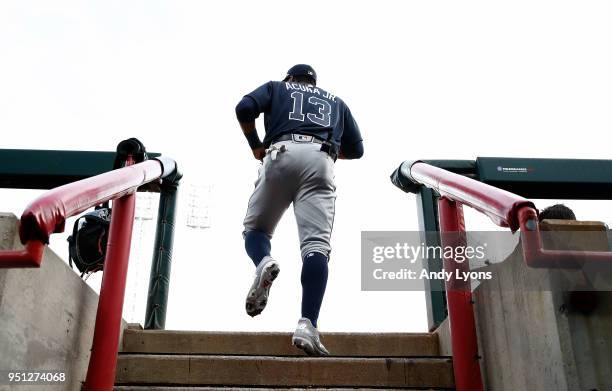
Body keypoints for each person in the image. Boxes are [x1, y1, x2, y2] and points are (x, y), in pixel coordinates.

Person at [235, 64, 364, 356]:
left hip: (280, 154)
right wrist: (326, 150)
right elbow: (356, 150)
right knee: (316, 246)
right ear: (314, 83)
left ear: (290, 79)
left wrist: (255, 144)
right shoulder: (335, 101)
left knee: (255, 231)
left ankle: (263, 262)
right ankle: (307, 325)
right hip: (320, 159)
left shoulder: (277, 87)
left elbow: (244, 108)